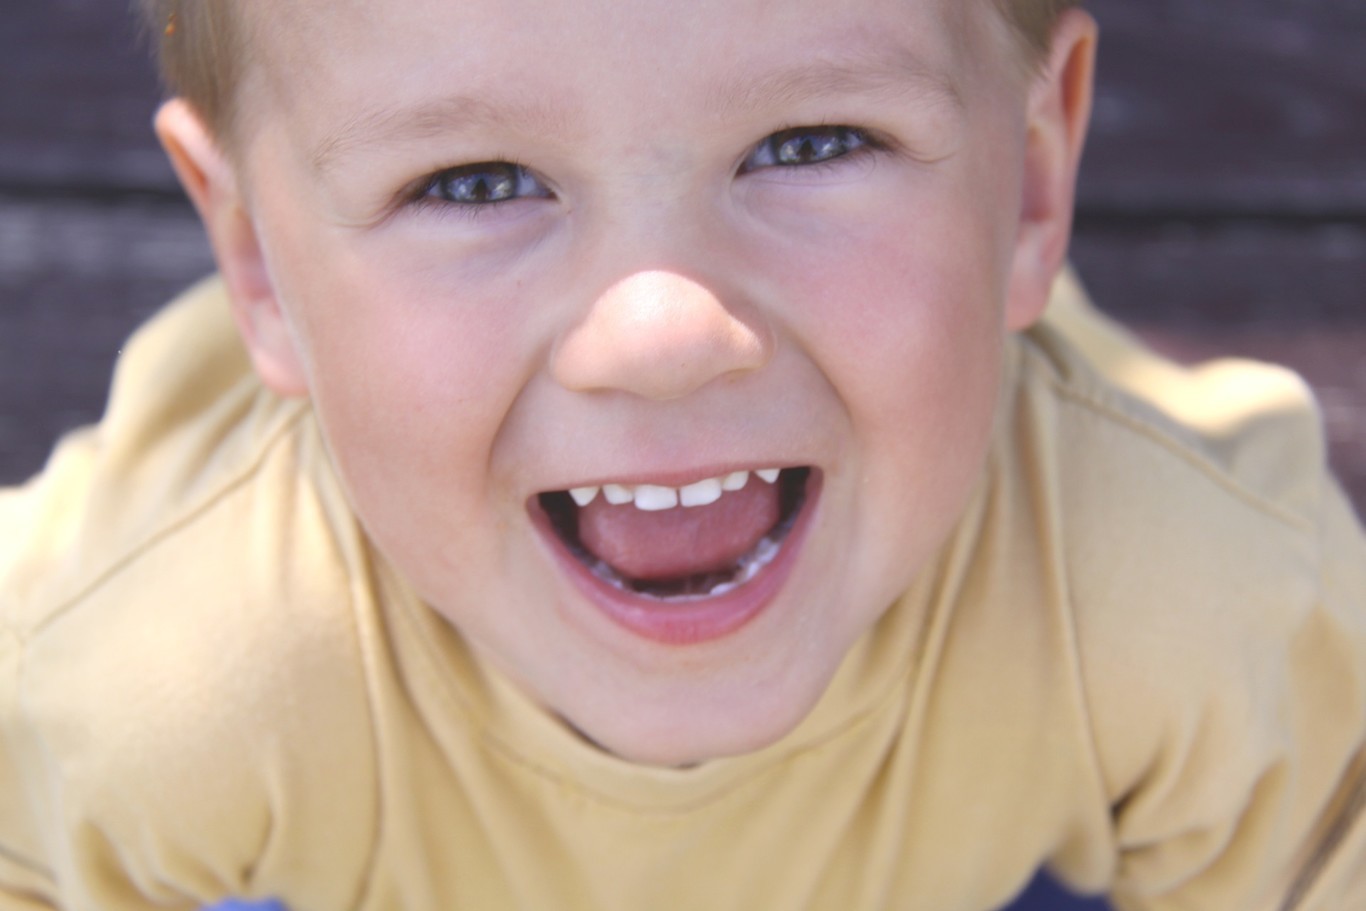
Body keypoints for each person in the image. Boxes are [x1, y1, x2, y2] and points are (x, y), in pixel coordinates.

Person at [2, 0, 1363, 908]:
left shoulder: (1189, 599)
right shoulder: (159, 673)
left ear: (1031, 178)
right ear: (255, 258)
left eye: (811, 143)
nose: (660, 335)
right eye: (474, 183)